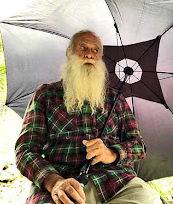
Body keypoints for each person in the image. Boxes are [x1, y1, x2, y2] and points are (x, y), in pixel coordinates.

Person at [15, 30, 162, 204]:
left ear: (100, 58)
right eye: (83, 47)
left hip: (116, 184)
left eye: (95, 50)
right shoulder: (46, 95)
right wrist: (54, 182)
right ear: (69, 53)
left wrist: (112, 153)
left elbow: (138, 146)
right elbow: (25, 151)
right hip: (63, 185)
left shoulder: (116, 99)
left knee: (149, 200)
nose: (89, 54)